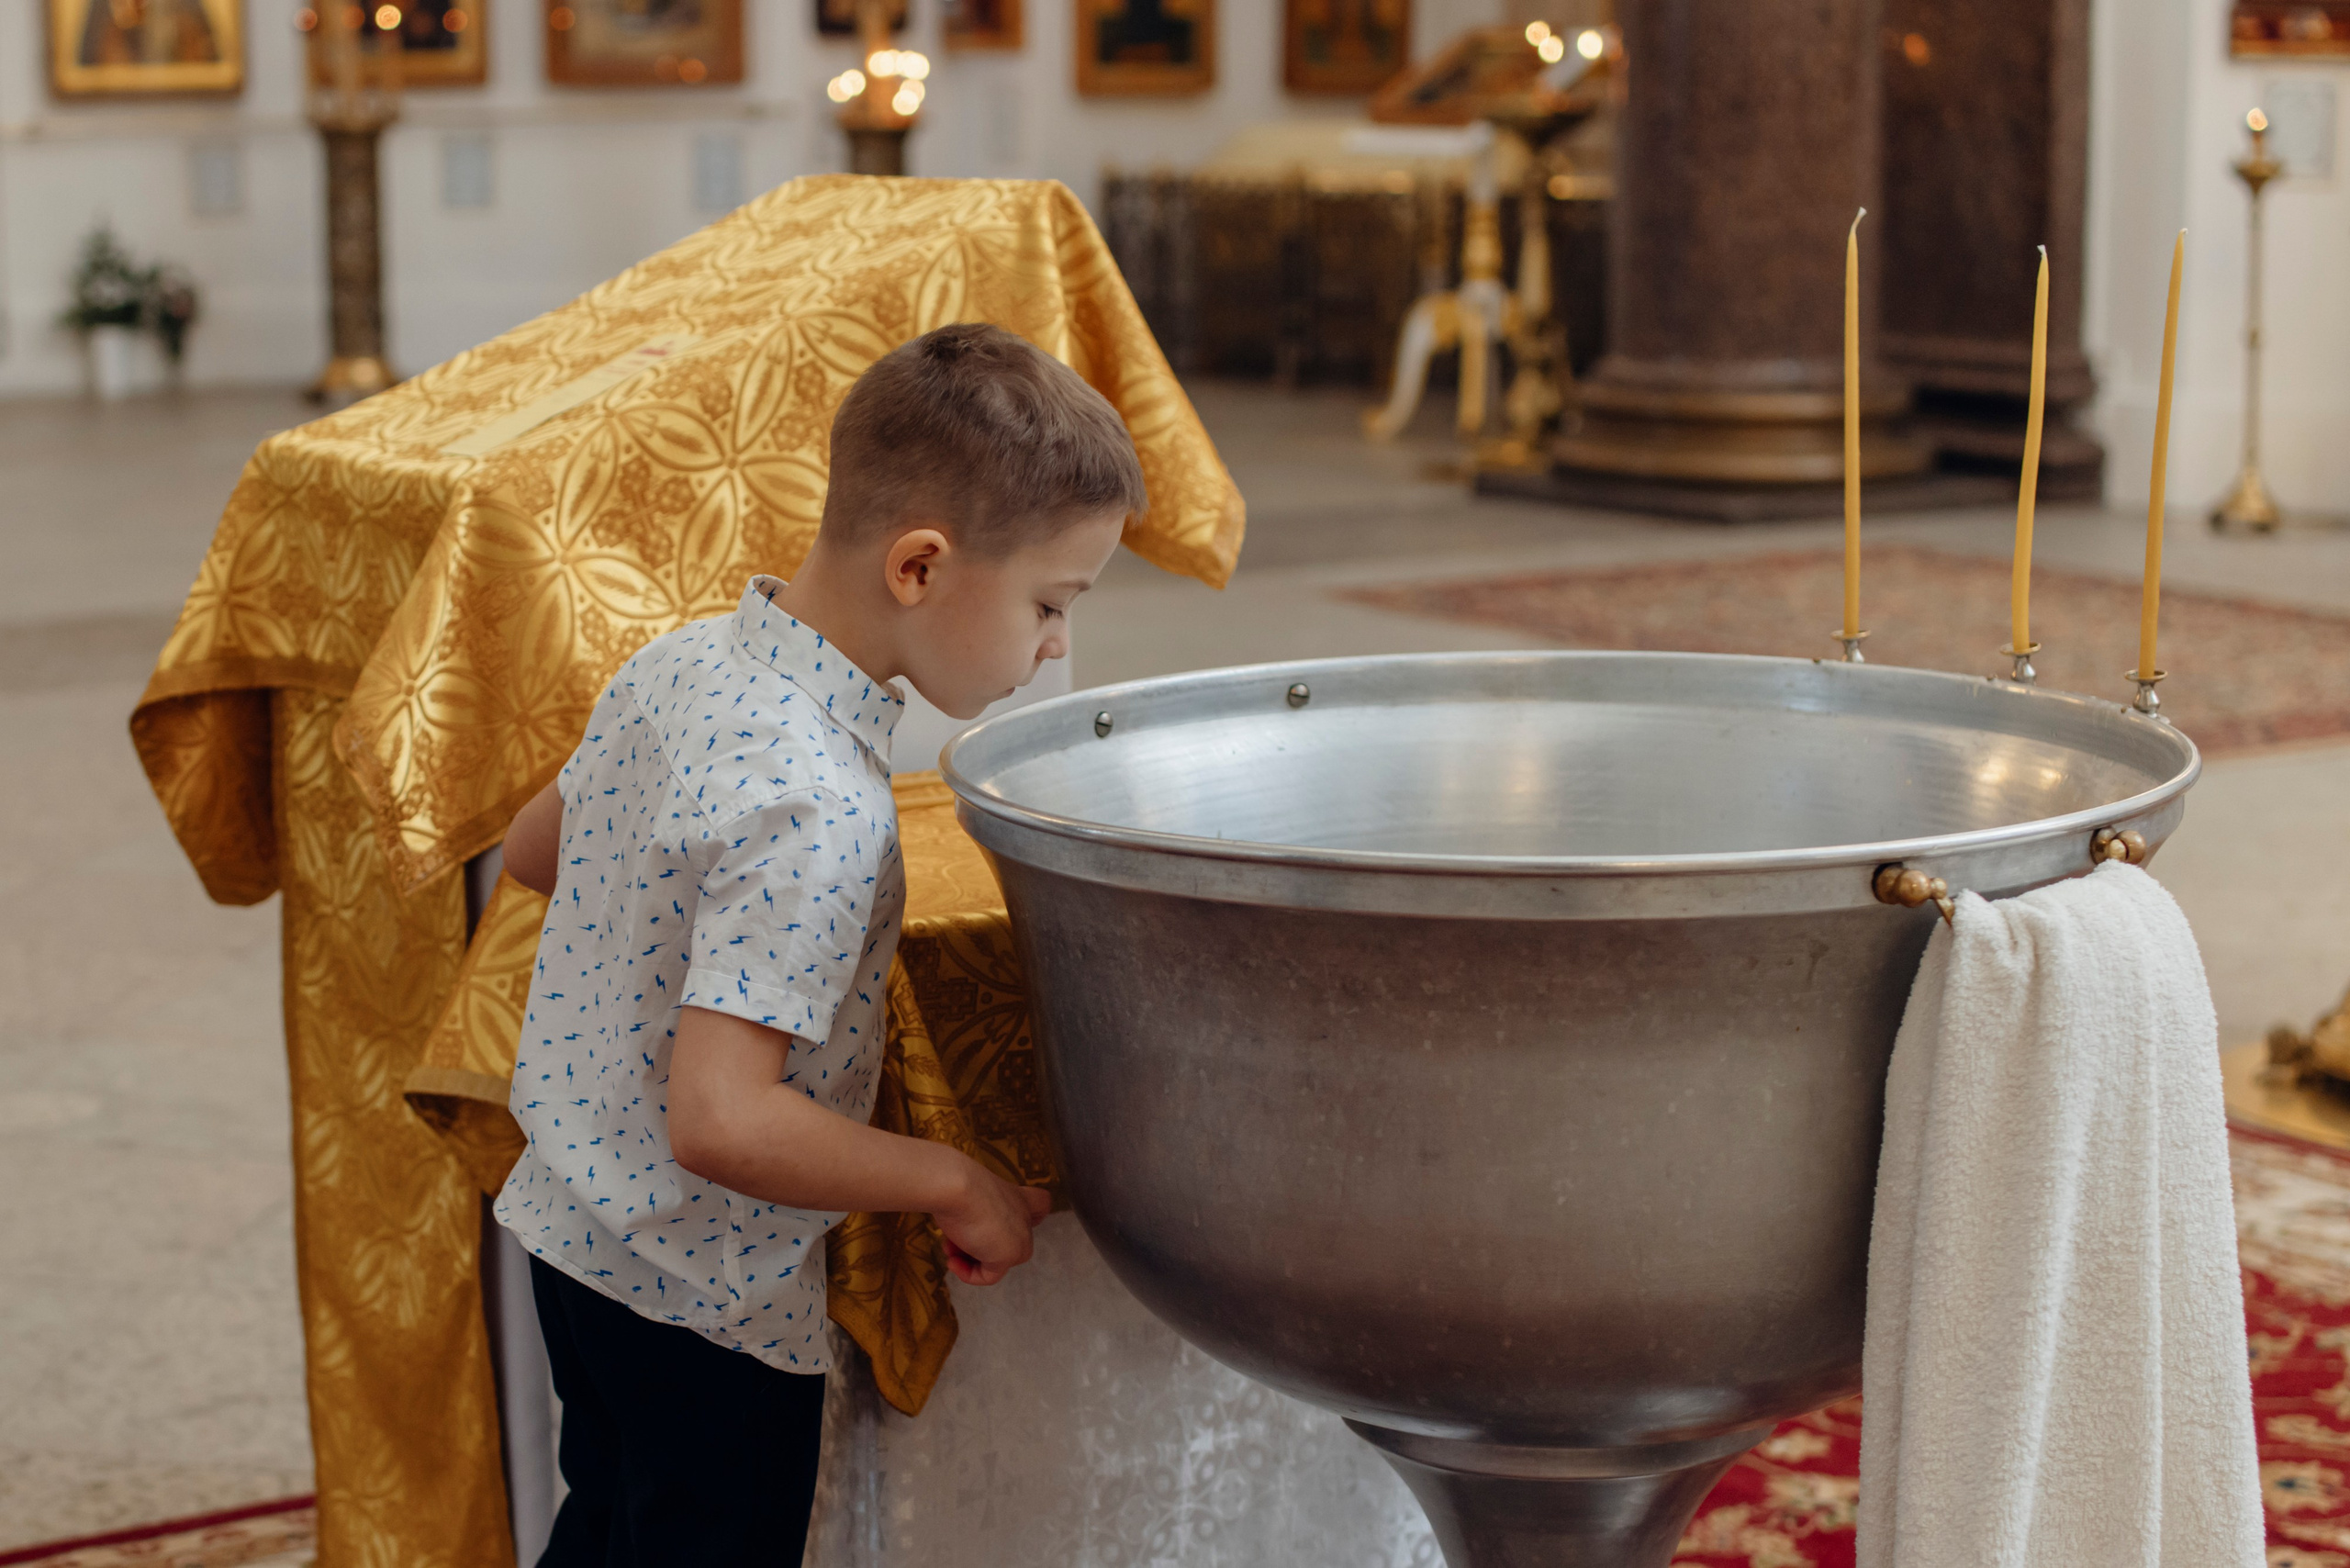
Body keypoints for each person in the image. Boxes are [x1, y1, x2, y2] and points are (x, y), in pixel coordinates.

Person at [494, 321, 1146, 1566]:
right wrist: (958, 1181)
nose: (1056, 644)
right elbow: (723, 1123)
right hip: (704, 1299)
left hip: (574, 1236)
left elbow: (536, 852)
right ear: (920, 567)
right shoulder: (817, 809)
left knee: (605, 1527)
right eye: (1050, 604)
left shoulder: (680, 662)